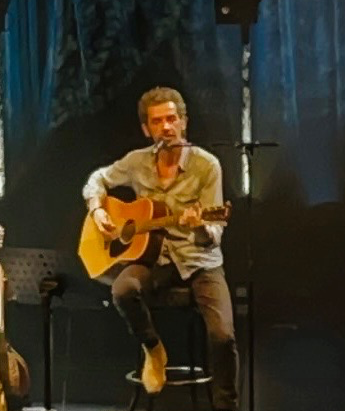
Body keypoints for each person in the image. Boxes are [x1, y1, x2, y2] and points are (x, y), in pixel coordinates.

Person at [81, 86, 238, 410]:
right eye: (157, 122)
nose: (166, 127)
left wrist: (200, 227)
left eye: (171, 119)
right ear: (146, 129)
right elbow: (97, 179)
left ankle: (226, 406)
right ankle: (153, 349)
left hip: (200, 259)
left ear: (183, 122)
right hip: (155, 258)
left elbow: (215, 232)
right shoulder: (136, 162)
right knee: (123, 290)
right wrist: (98, 210)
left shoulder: (207, 166)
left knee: (223, 337)